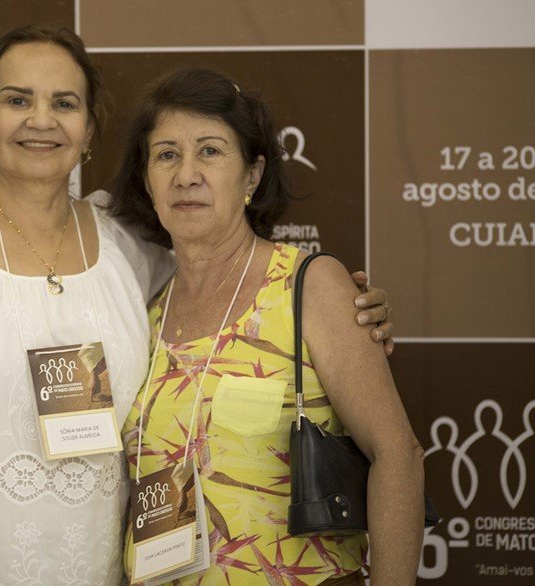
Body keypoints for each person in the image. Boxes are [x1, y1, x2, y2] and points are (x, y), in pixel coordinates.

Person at [0, 26, 396, 585]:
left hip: (99, 566)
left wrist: (348, 314)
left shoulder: (124, 246)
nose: (41, 120)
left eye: (64, 103)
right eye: (17, 100)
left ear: (88, 129)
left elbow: (229, 280)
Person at [112, 68, 425, 585]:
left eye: (210, 151)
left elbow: (397, 455)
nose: (186, 174)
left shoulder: (309, 285)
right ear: (147, 180)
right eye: (166, 154)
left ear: (252, 176)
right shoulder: (143, 314)